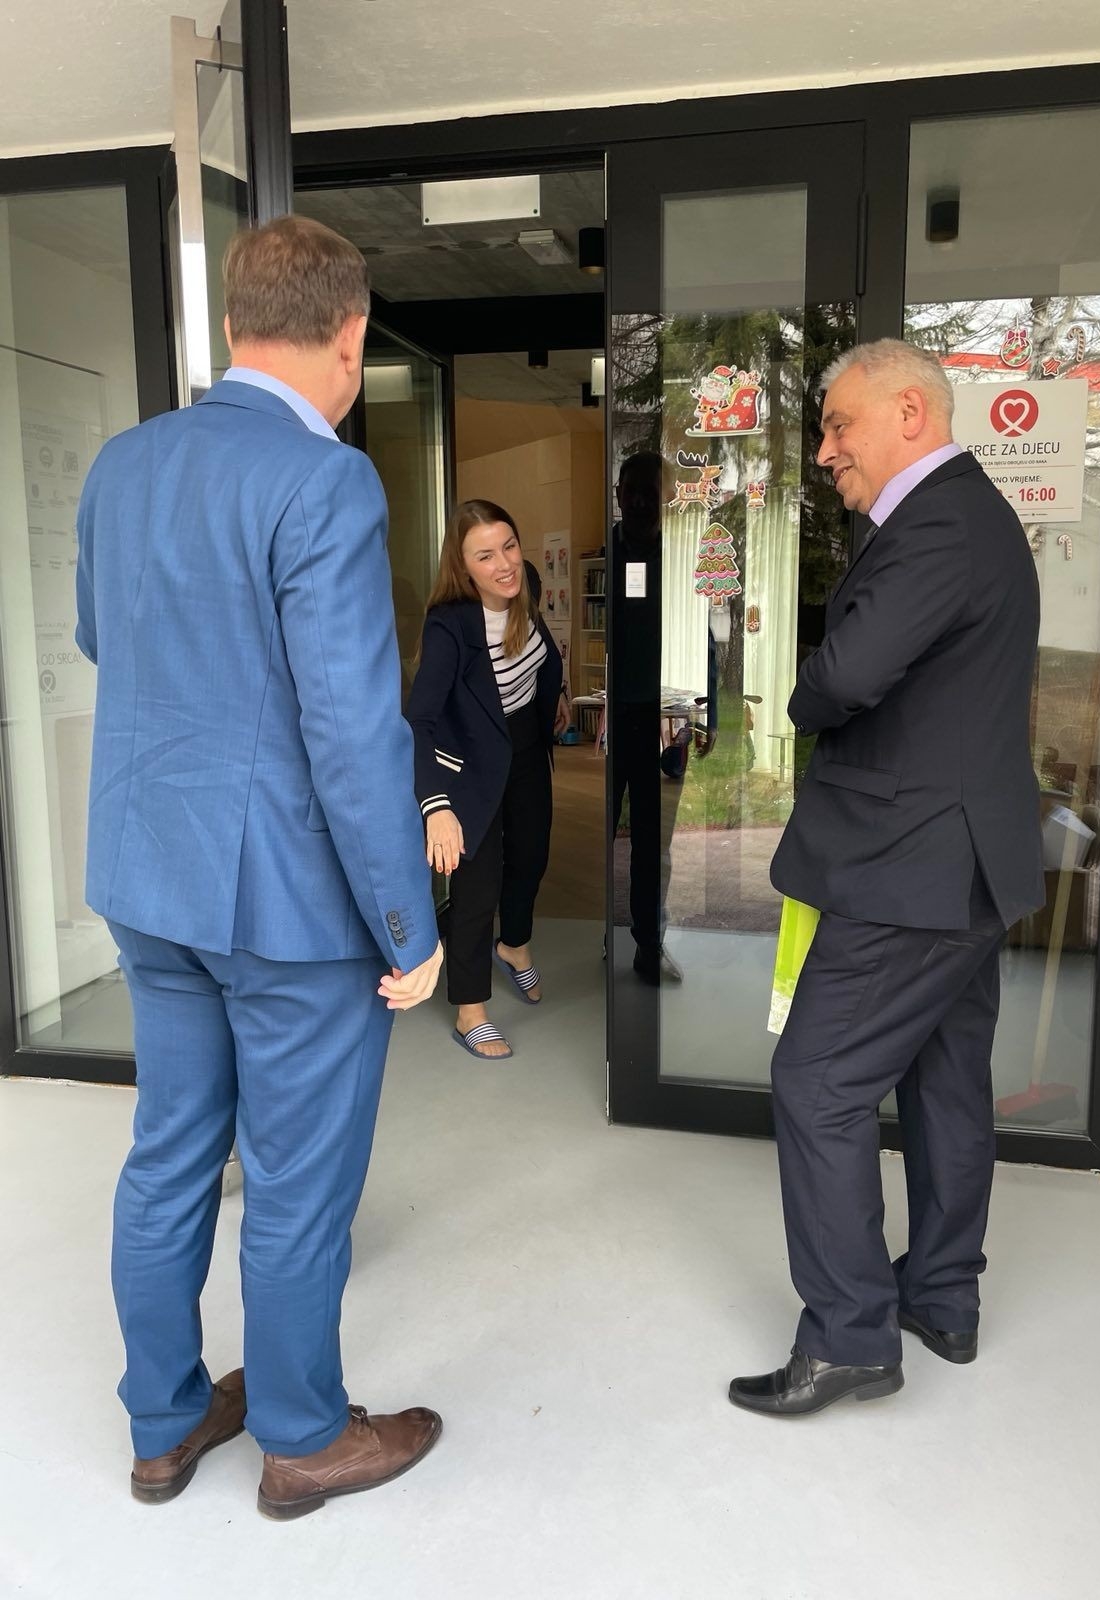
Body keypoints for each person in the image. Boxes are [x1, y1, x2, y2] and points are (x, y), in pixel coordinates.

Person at [75, 214, 445, 1518]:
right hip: (287, 906)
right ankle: (300, 1436)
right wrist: (409, 925)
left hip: (146, 875)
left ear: (233, 326)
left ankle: (165, 1421)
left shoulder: (123, 464)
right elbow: (351, 730)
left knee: (170, 1150)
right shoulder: (325, 480)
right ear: (350, 338)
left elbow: (102, 636)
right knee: (296, 1178)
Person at [729, 338, 1043, 1418]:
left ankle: (851, 1334)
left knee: (817, 1083)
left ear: (910, 413)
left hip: (912, 868)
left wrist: (804, 692)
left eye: (839, 426)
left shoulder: (940, 523)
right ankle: (943, 1297)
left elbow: (848, 673)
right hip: (963, 864)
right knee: (946, 1081)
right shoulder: (966, 517)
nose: (826, 452)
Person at [406, 501, 569, 1060]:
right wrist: (436, 807)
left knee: (531, 857)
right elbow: (419, 722)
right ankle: (470, 1009)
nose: (504, 564)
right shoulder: (449, 625)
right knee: (478, 888)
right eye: (485, 556)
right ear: (463, 566)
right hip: (470, 766)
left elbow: (538, 655)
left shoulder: (526, 588)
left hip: (524, 748)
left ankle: (514, 946)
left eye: (509, 546)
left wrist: (555, 696)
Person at [609, 452, 686, 984]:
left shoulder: (678, 557)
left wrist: (705, 712)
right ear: (618, 494)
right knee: (603, 836)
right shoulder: (609, 551)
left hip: (660, 717)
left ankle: (647, 945)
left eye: (649, 492)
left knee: (652, 845)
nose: (638, 501)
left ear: (666, 497)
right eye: (630, 490)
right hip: (613, 719)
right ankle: (605, 933)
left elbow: (701, 632)